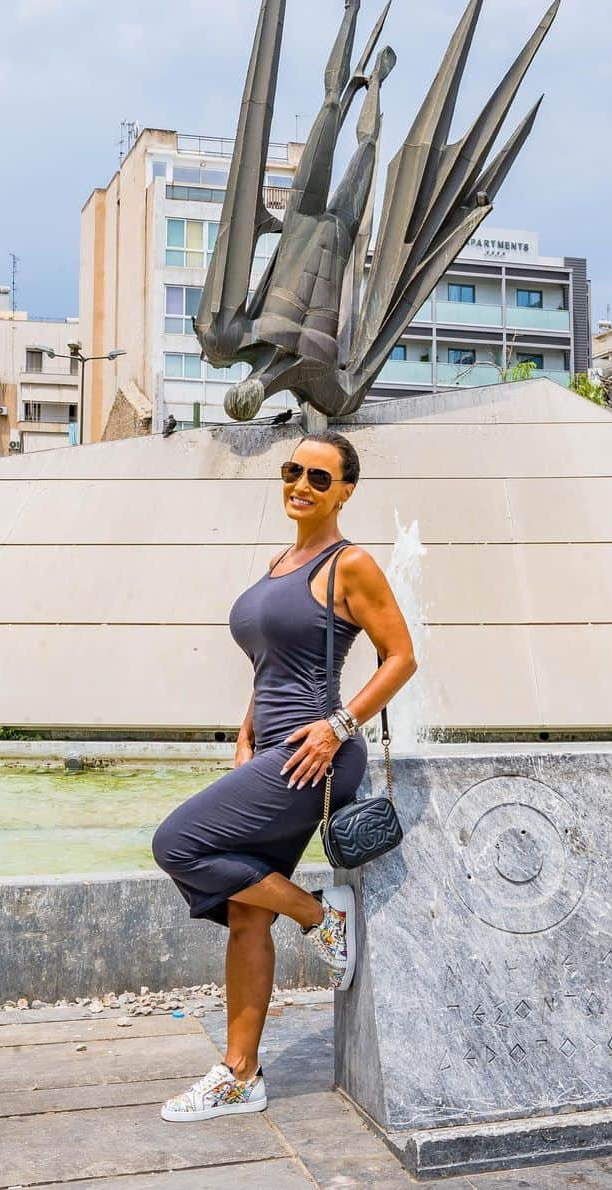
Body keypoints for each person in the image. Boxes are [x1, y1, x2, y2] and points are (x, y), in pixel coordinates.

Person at [152, 430, 416, 1122]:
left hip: (316, 751)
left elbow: (401, 657)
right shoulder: (279, 563)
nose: (299, 484)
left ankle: (318, 915)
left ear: (346, 491)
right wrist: (244, 730)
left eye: (318, 477)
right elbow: (270, 667)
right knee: (243, 911)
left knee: (177, 844)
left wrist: (339, 727)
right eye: (292, 470)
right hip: (271, 749)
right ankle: (240, 1074)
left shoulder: (348, 563)